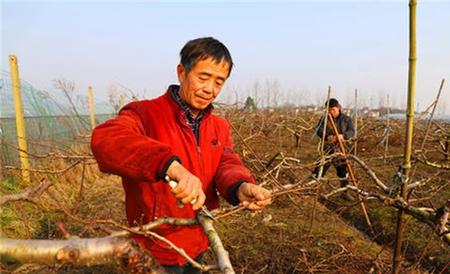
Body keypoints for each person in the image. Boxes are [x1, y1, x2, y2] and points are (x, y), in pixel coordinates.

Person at [91, 37, 272, 273]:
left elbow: (225, 162)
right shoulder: (145, 114)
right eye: (203, 77)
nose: (210, 89)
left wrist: (240, 186)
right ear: (181, 72)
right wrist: (169, 165)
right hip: (153, 244)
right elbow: (105, 139)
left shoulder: (219, 126)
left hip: (198, 238)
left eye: (219, 82)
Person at [311, 98, 355, 193]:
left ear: (338, 108)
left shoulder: (346, 119)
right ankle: (312, 190)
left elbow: (352, 131)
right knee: (319, 170)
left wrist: (343, 136)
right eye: (329, 110)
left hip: (341, 149)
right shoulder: (324, 119)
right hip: (327, 149)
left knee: (343, 172)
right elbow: (318, 130)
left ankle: (345, 192)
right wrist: (327, 137)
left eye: (333, 110)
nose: (331, 112)